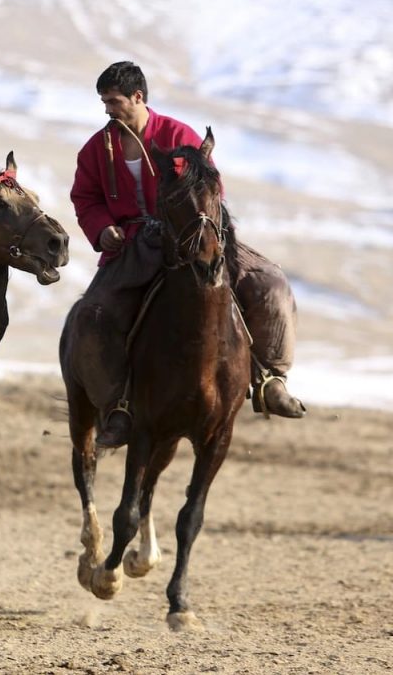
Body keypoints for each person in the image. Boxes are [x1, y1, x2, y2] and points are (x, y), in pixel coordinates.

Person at [70, 61, 305, 446]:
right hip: (131, 244)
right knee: (93, 315)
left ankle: (270, 379)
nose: (108, 110)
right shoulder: (97, 148)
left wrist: (189, 228)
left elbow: (210, 190)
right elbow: (85, 198)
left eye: (113, 101)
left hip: (193, 238)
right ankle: (119, 407)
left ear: (138, 97)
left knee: (270, 284)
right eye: (104, 103)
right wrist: (102, 229)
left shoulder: (179, 135)